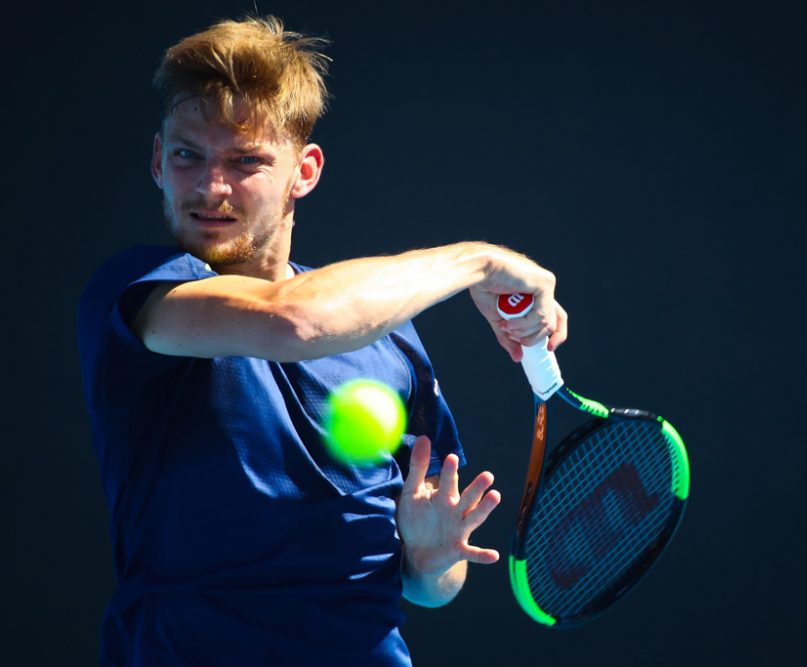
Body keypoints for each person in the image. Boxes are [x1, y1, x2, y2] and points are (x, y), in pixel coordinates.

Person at [77, 15, 567, 666]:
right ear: (158, 161)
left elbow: (435, 586)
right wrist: (479, 261)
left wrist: (427, 552)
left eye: (246, 160)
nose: (210, 188)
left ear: (303, 171)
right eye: (187, 155)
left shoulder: (389, 338)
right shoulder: (141, 293)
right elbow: (293, 322)